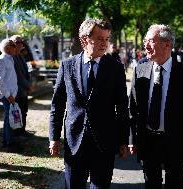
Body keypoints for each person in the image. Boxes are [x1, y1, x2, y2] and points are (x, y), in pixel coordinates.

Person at [49, 18, 130, 189]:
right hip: (74, 141)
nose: (104, 44)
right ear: (84, 39)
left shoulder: (115, 68)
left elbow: (122, 106)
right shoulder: (67, 65)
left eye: (107, 39)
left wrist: (124, 140)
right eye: (100, 39)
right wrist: (54, 137)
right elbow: (58, 104)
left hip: (104, 143)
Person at [129, 24, 183, 189]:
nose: (146, 45)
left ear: (167, 44)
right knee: (151, 184)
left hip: (176, 142)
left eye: (150, 41)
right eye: (145, 41)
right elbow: (133, 110)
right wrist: (131, 140)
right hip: (148, 141)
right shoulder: (139, 71)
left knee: (175, 184)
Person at [0, 38, 19, 152]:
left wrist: (13, 93)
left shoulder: (10, 59)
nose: (16, 48)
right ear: (7, 47)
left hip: (12, 94)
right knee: (9, 119)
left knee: (8, 118)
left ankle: (6, 140)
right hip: (7, 95)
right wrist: (8, 95)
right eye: (14, 45)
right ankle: (10, 143)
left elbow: (10, 78)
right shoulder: (2, 59)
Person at [9, 35, 34, 137]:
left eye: (21, 42)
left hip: (23, 90)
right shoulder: (12, 57)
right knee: (18, 113)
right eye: (17, 42)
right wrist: (28, 86)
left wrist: (28, 84)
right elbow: (18, 75)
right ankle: (18, 133)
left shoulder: (20, 55)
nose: (20, 44)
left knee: (24, 111)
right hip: (17, 90)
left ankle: (22, 131)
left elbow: (25, 72)